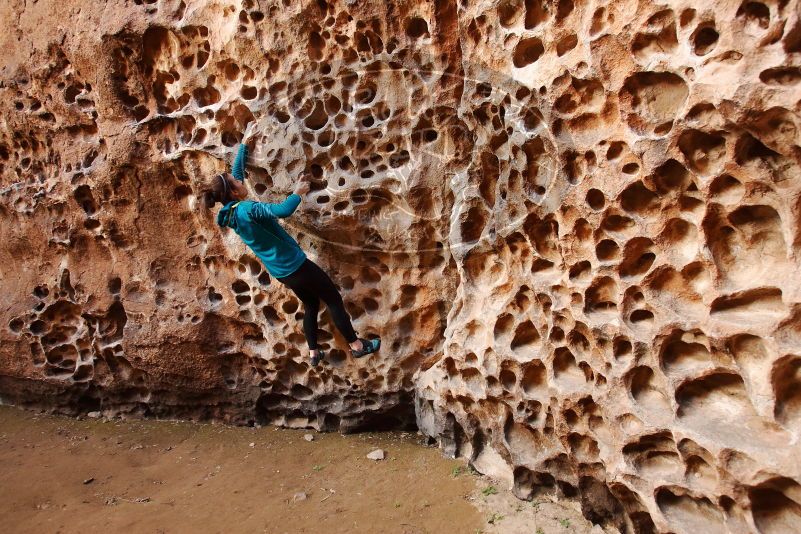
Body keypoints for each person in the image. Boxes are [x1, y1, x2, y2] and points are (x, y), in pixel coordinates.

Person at [199, 140, 381, 367]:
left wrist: (244, 146)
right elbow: (282, 211)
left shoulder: (231, 213)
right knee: (333, 299)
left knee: (311, 305)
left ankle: (314, 353)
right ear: (234, 192)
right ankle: (357, 346)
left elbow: (235, 176)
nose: (239, 178)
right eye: (237, 181)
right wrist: (298, 192)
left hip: (282, 272)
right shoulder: (247, 209)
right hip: (297, 265)